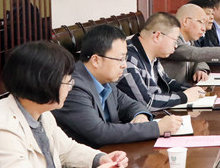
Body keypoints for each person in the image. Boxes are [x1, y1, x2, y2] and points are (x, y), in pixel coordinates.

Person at [53, 25, 183, 147]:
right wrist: (157, 128)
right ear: (96, 60)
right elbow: (100, 133)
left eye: (125, 58)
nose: (124, 65)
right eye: (120, 59)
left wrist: (140, 116)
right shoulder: (72, 86)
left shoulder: (106, 79)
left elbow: (131, 105)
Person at [117, 12, 206, 109]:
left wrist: (192, 90)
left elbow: (167, 83)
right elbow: (147, 102)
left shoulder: (152, 55)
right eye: (175, 40)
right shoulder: (128, 59)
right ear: (157, 36)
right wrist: (184, 97)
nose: (176, 46)